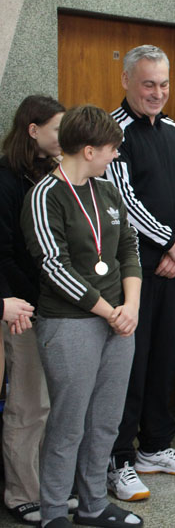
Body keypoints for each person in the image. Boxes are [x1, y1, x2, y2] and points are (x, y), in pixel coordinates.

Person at [21, 105, 144, 528]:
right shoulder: (45, 195)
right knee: (69, 423)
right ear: (89, 151)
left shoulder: (106, 189)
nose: (116, 155)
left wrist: (131, 306)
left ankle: (92, 505)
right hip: (70, 323)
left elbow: (128, 247)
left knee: (105, 421)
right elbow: (54, 268)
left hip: (118, 320)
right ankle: (54, 512)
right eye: (111, 149)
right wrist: (111, 312)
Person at [104, 44, 175, 502]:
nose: (158, 93)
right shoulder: (113, 132)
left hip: (173, 264)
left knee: (165, 358)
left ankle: (155, 446)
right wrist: (168, 243)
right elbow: (122, 198)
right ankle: (119, 458)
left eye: (163, 84)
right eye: (148, 84)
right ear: (127, 80)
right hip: (133, 270)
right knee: (132, 363)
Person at [0, 94, 65, 525]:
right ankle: (21, 491)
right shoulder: (6, 178)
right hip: (20, 307)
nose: (65, 137)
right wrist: (22, 304)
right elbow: (5, 252)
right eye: (58, 129)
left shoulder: (50, 174)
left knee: (51, 403)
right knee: (28, 404)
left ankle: (49, 487)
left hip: (50, 305)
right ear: (33, 129)